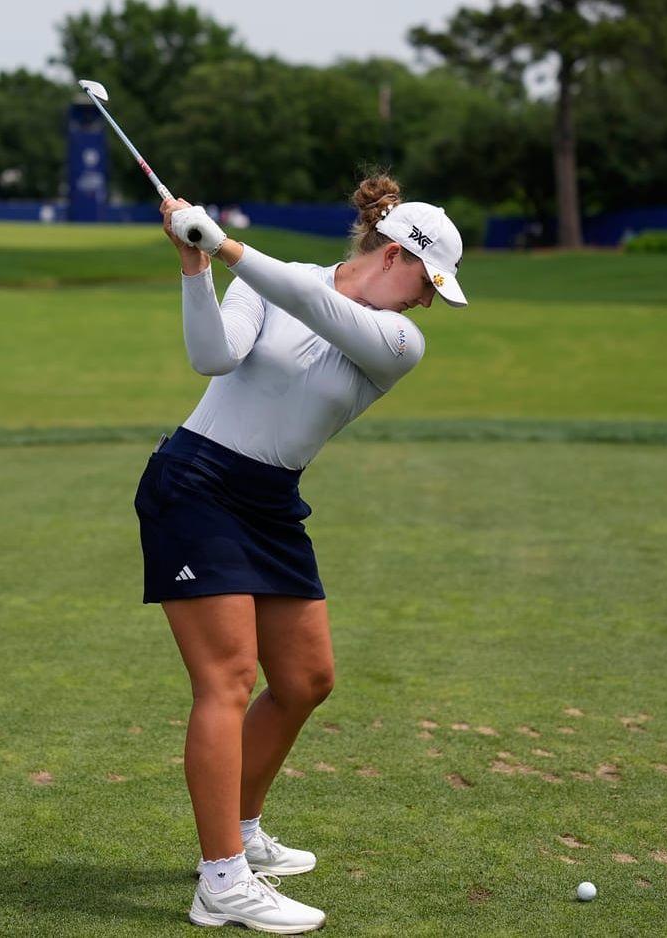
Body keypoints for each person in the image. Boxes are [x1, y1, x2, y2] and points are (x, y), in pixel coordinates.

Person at [136, 173, 468, 933]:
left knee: (305, 679)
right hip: (196, 484)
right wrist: (196, 269)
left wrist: (225, 246)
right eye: (428, 284)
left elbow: (315, 304)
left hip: (271, 500)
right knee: (228, 679)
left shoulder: (399, 342)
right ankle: (222, 881)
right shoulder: (268, 280)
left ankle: (242, 830)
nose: (427, 304)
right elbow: (212, 357)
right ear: (395, 254)